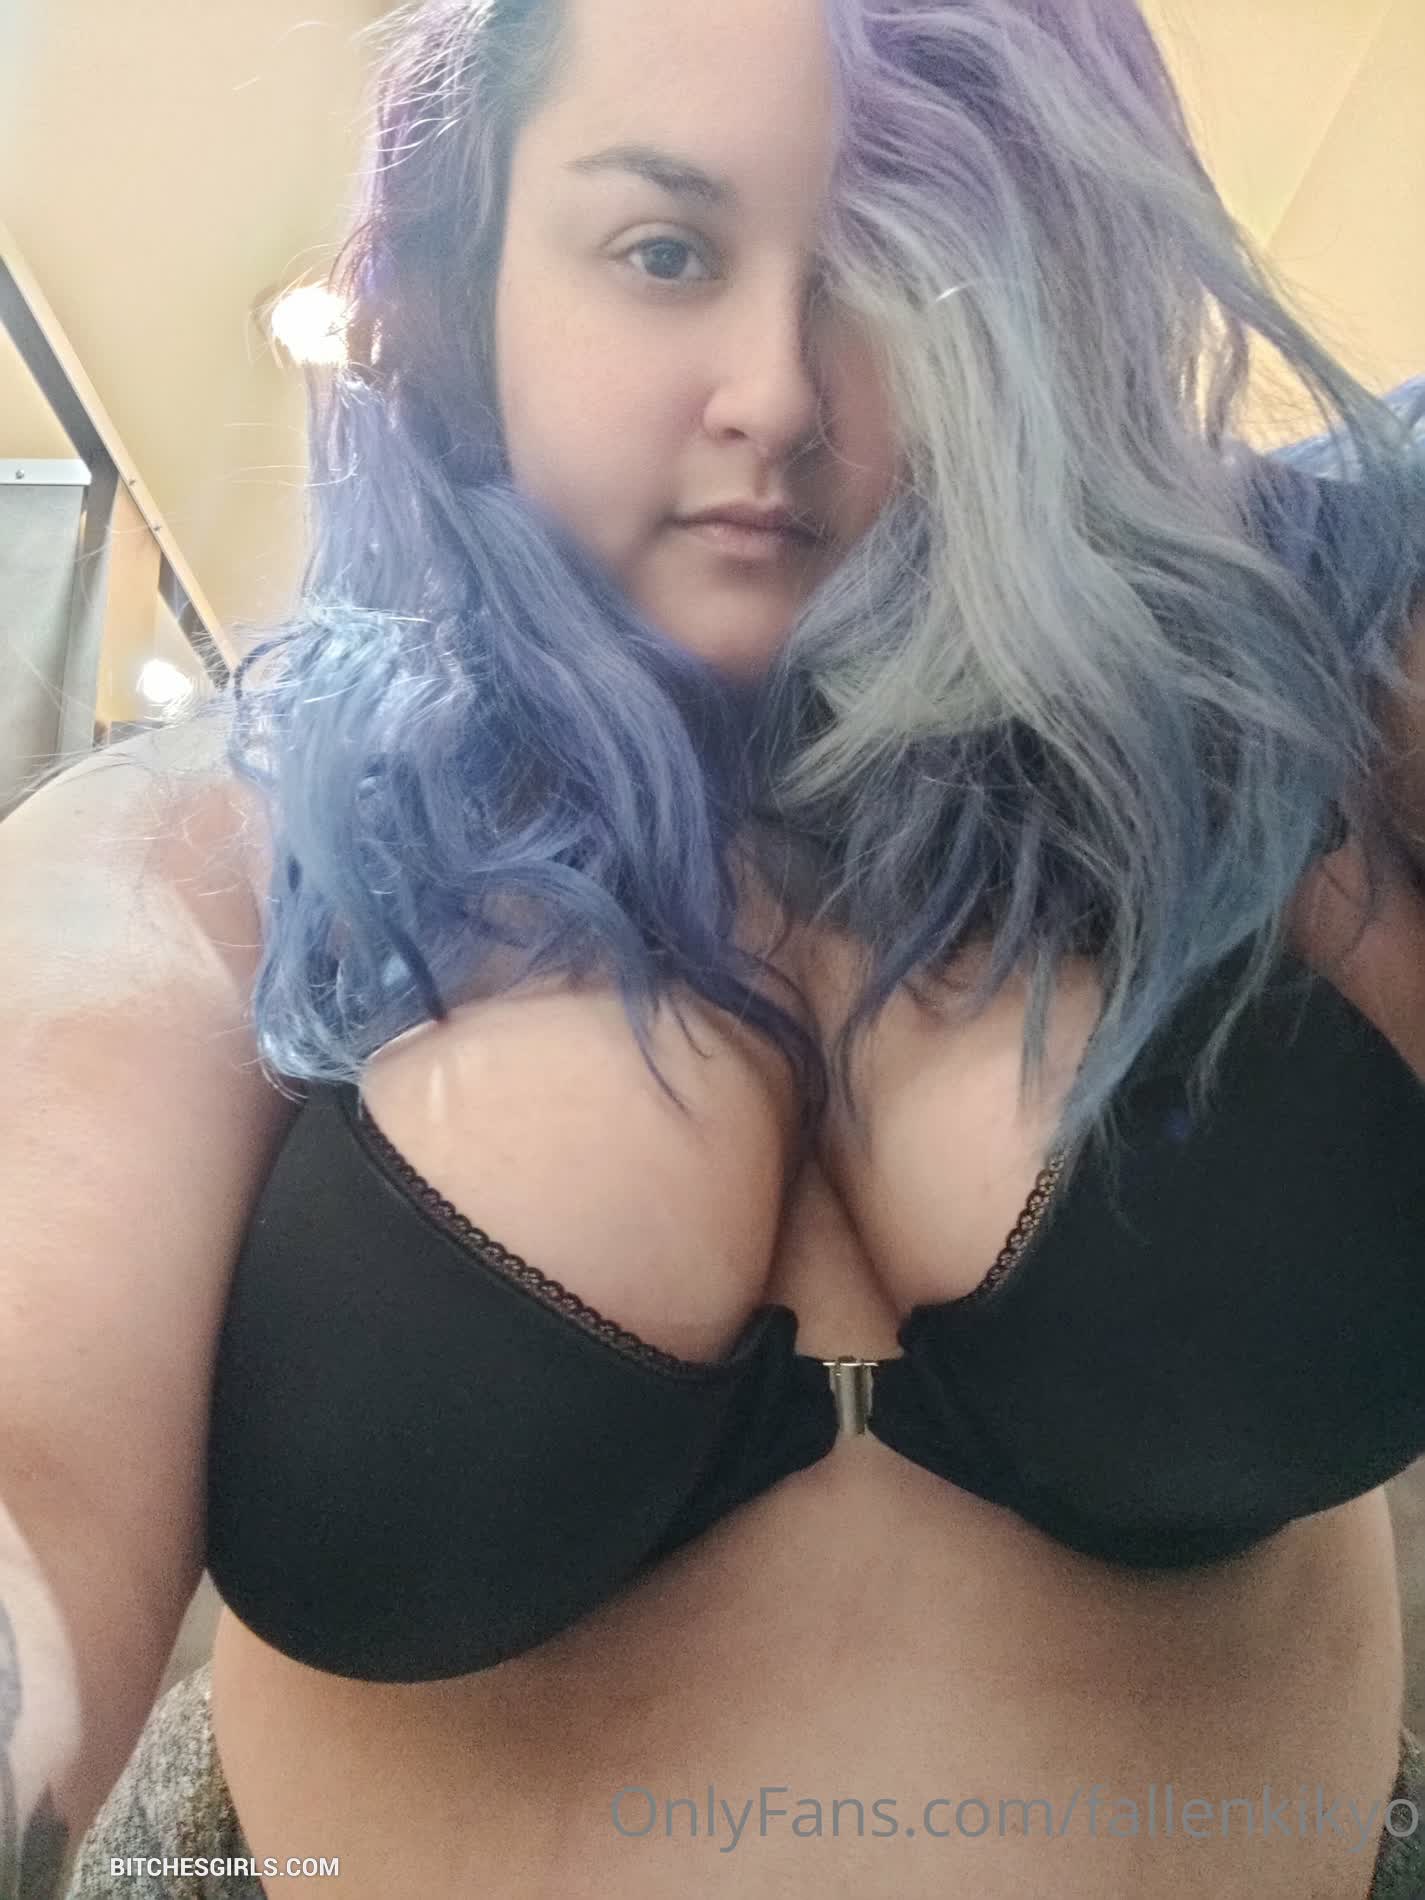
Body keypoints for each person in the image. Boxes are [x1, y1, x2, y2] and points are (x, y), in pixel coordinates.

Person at [2, 0, 1424, 1894]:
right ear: (467, 288)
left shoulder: (1279, 742)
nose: (772, 391)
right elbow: (30, 1426)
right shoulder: (231, 843)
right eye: (663, 251)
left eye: (893, 269)